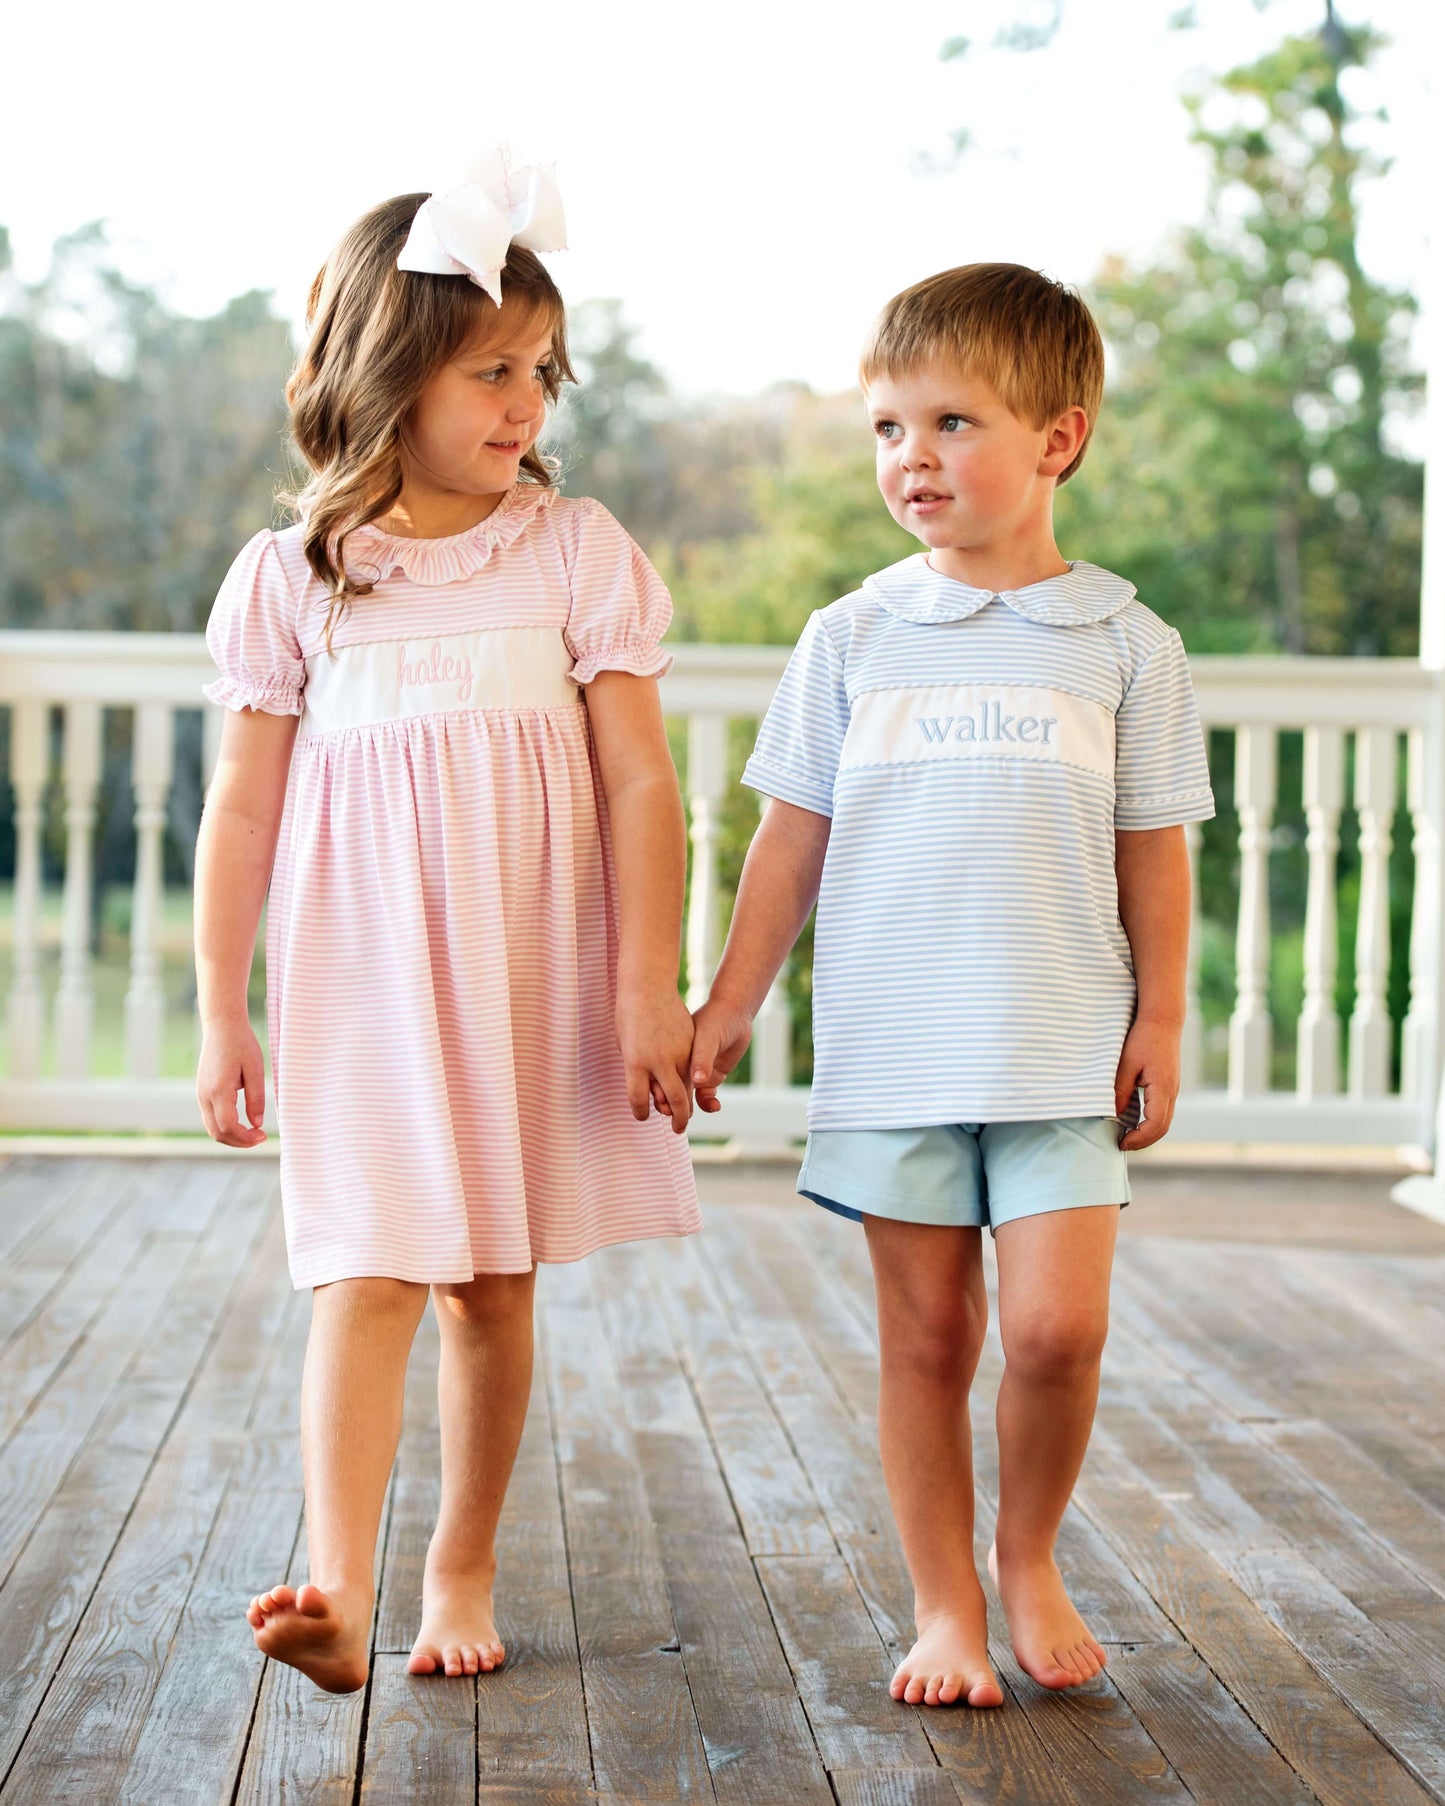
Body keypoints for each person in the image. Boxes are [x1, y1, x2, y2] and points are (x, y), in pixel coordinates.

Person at [194, 153, 699, 1694]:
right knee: (362, 1266)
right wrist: (227, 1003)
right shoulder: (300, 577)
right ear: (388, 372)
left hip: (524, 973)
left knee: (491, 1282)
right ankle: (334, 1582)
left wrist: (646, 987)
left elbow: (637, 783)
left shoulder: (570, 551)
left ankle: (458, 1556)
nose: (526, 403)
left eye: (541, 372)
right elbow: (243, 809)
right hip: (362, 985)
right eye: (492, 370)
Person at [690, 263, 1214, 1709]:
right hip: (892, 1056)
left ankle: (1027, 1549)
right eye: (882, 427)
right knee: (927, 1338)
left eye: (947, 421)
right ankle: (942, 1604)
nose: (906, 457)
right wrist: (727, 1001)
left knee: (1056, 1328)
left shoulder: (1126, 644)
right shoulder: (849, 637)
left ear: (1059, 437)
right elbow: (785, 845)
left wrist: (1158, 1016)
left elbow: (1153, 861)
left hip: (1055, 1049)